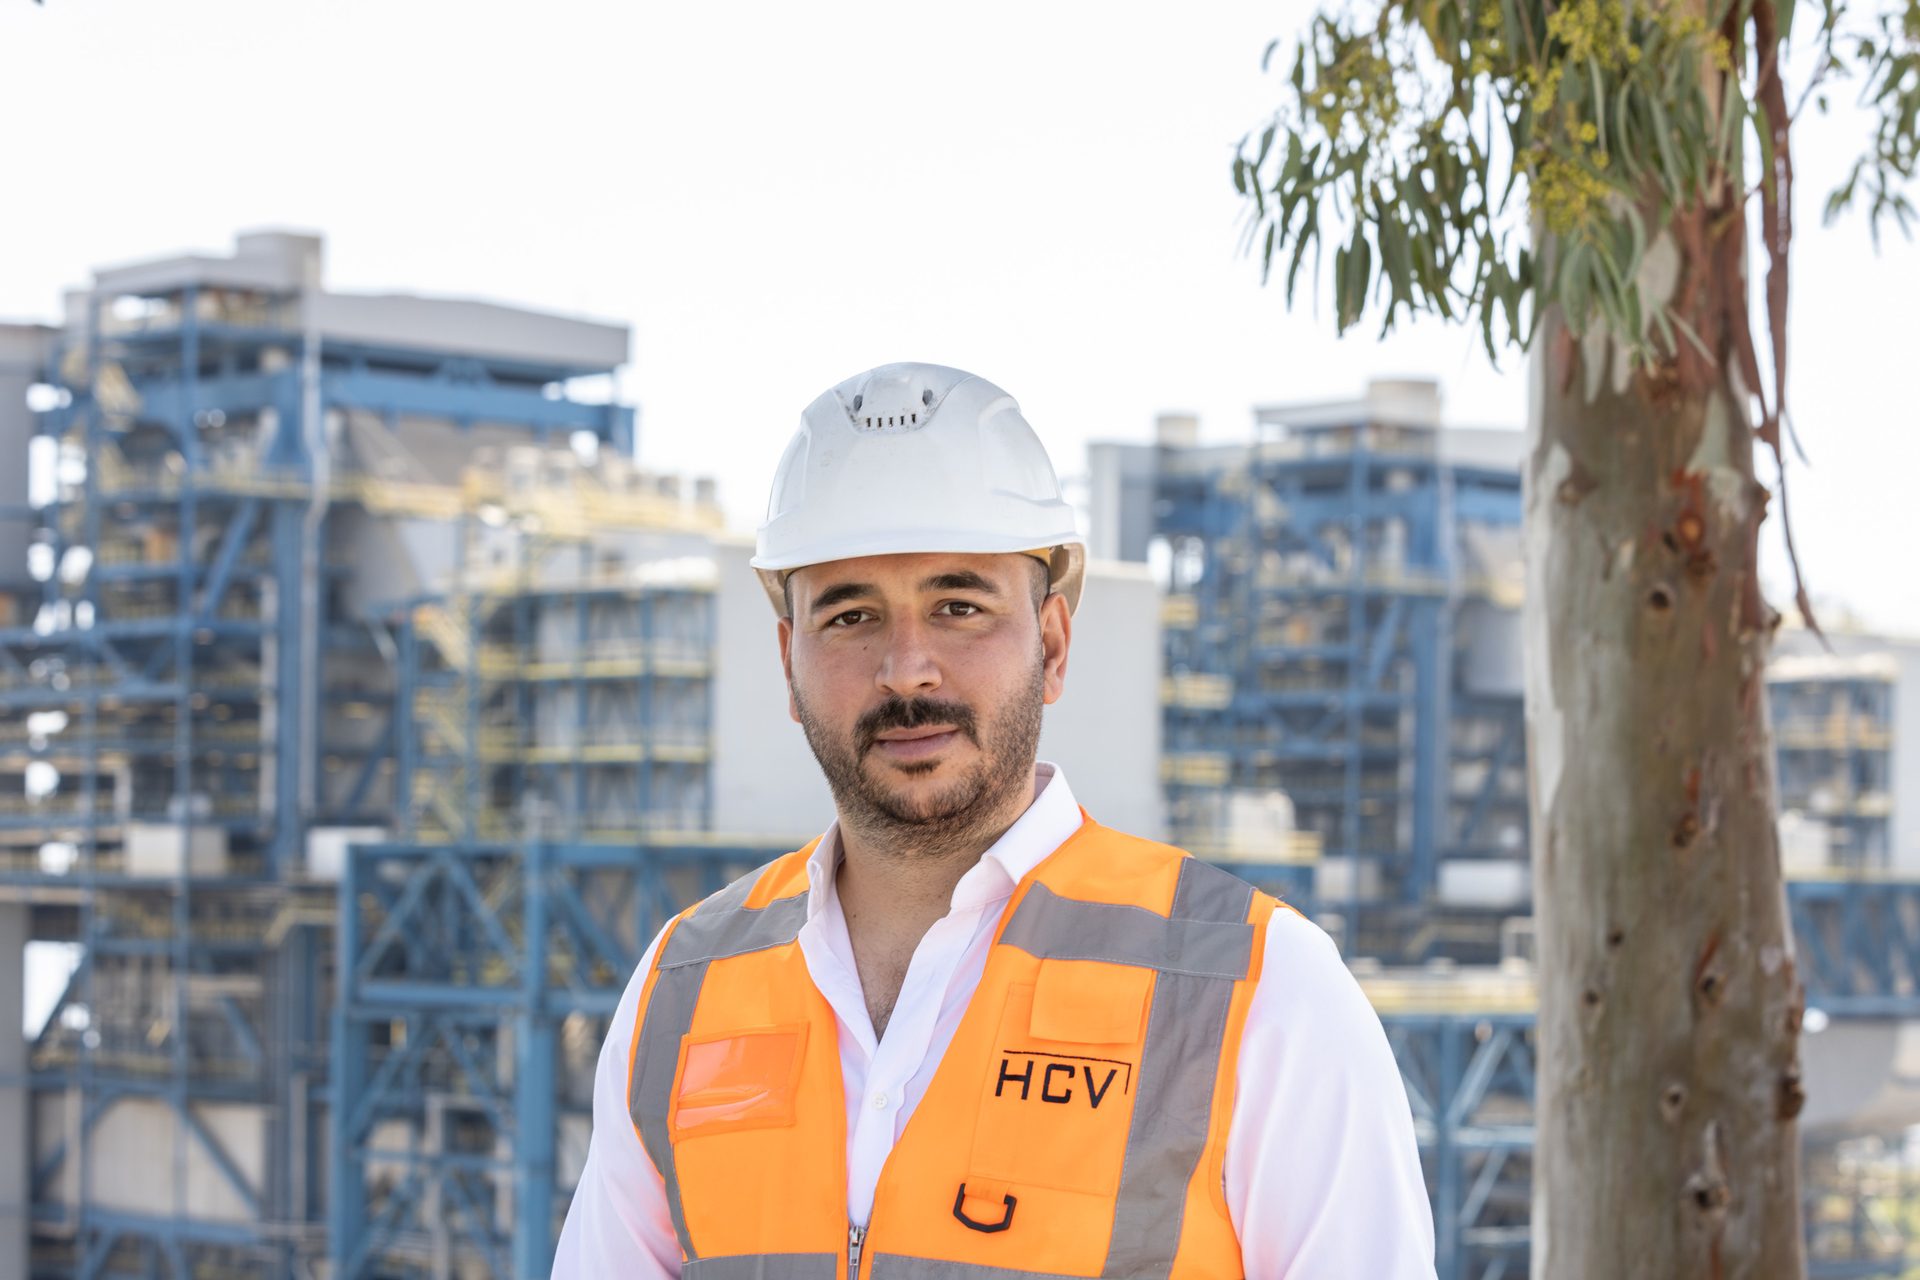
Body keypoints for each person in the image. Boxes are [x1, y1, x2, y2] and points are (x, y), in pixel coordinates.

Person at [553, 362, 1436, 1277]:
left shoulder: (1256, 993)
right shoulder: (683, 990)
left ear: (1051, 644)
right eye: (851, 615)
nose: (907, 668)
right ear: (789, 662)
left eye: (959, 607)